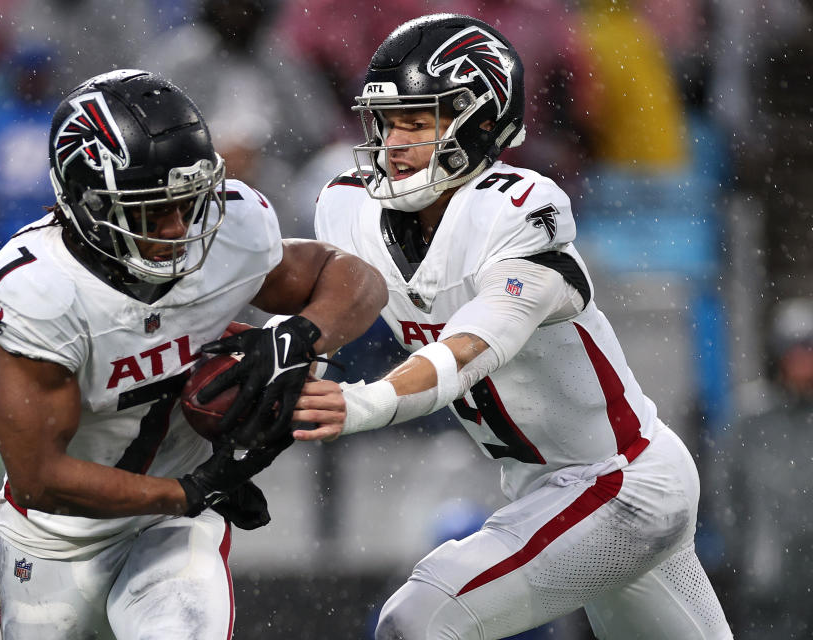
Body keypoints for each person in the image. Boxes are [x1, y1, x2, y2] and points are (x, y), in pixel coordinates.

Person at [293, 14, 733, 639]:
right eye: (387, 122)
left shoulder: (519, 210)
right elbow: (305, 283)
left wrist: (361, 404)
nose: (394, 143)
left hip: (621, 485)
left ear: (479, 123)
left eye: (417, 123)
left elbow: (472, 346)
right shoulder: (351, 207)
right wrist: (283, 348)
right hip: (558, 491)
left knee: (417, 621)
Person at [0, 69, 387, 639]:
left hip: (172, 529)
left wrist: (298, 336)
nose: (176, 228)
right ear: (87, 203)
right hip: (58, 538)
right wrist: (189, 490)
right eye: (149, 210)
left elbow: (356, 279)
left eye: (187, 202)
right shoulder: (41, 290)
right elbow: (39, 476)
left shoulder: (230, 230)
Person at [709, 297, 813, 639]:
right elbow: (724, 490)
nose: (803, 362)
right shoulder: (752, 418)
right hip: (768, 583)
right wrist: (747, 554)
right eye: (795, 352)